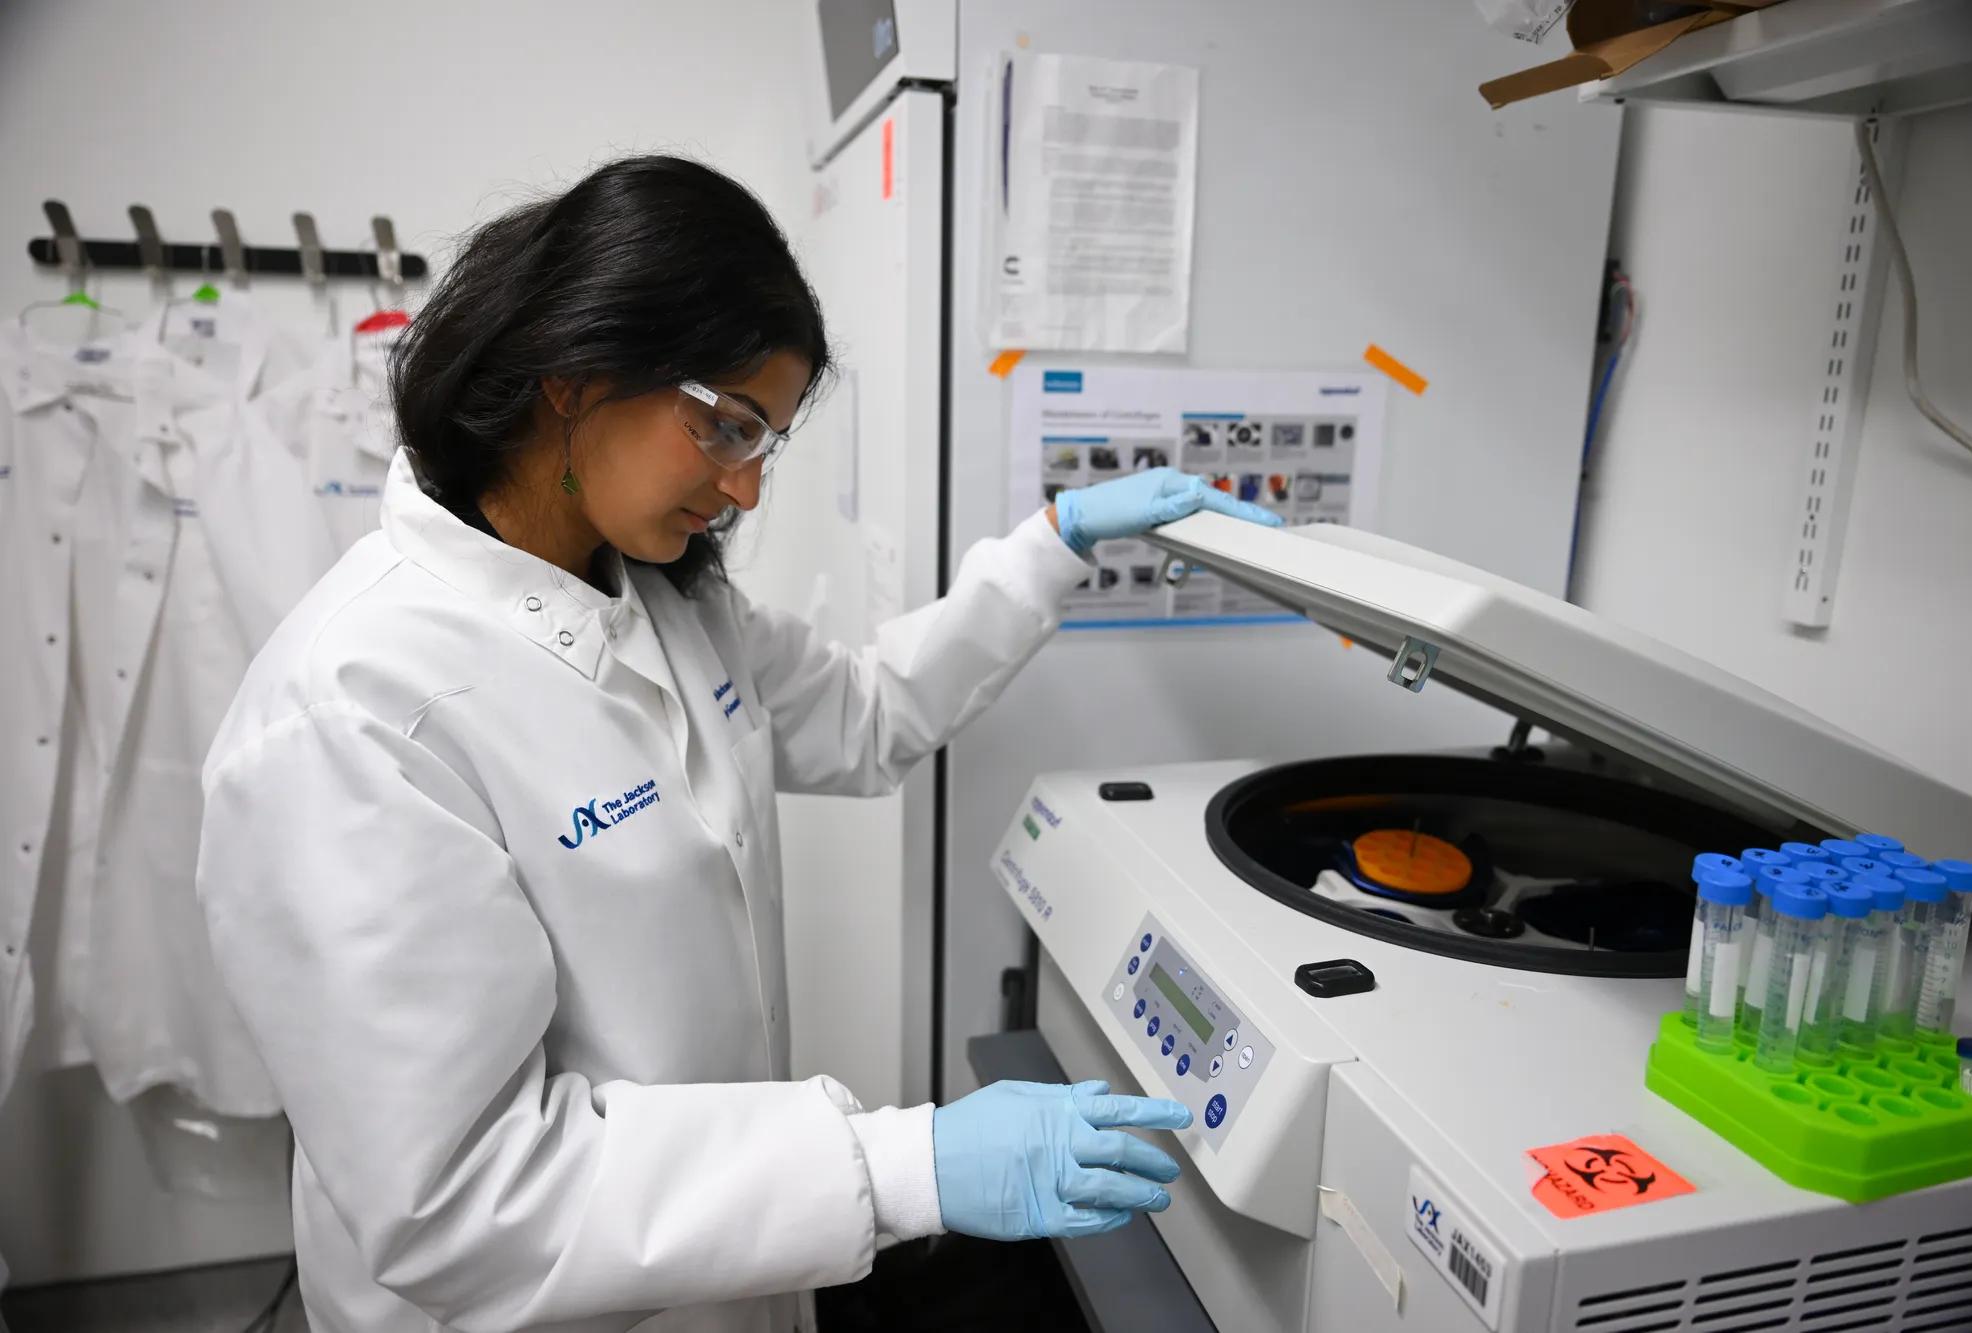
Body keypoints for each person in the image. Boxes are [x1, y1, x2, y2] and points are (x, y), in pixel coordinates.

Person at [195, 155, 1280, 1333]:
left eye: (765, 442)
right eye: (728, 427)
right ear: (574, 371)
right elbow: (458, 1199)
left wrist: (1051, 545)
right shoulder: (353, 712)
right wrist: (896, 1166)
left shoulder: (665, 600)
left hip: (728, 1280)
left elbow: (867, 719)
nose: (748, 491)